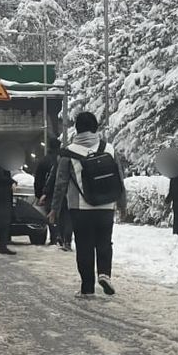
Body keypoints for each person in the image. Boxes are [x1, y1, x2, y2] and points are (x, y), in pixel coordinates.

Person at [49, 112, 127, 297]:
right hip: (106, 207)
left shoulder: (68, 152)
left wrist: (54, 209)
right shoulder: (108, 148)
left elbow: (60, 184)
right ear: (96, 128)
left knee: (84, 246)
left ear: (76, 129)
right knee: (104, 242)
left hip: (80, 209)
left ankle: (87, 288)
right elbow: (120, 178)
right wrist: (122, 204)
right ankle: (104, 274)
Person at [41, 147, 74, 251]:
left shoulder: (59, 164)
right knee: (68, 218)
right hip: (72, 195)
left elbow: (52, 180)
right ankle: (67, 240)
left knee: (61, 217)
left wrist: (45, 193)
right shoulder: (74, 163)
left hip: (60, 195)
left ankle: (60, 237)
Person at [34, 138, 63, 246]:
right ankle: (63, 237)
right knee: (63, 214)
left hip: (48, 193)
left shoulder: (44, 161)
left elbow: (38, 179)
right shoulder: (63, 159)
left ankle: (54, 238)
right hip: (63, 192)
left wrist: (39, 194)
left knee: (51, 215)